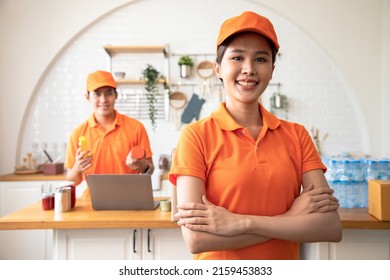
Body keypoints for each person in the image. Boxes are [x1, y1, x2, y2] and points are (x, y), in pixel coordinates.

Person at [168, 11, 342, 260]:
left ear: (272, 69)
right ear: (218, 68)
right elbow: (196, 239)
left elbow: (330, 227)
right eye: (237, 57)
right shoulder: (195, 136)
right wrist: (291, 220)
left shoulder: (297, 135)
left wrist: (240, 223)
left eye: (260, 59)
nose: (248, 69)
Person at [65, 70, 154, 198]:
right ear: (87, 97)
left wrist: (141, 166)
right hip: (93, 202)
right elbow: (73, 180)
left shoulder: (136, 128)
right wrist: (77, 168)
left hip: (130, 200)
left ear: (116, 95)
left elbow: (150, 170)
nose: (103, 100)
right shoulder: (77, 134)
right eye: (97, 94)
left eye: (108, 93)